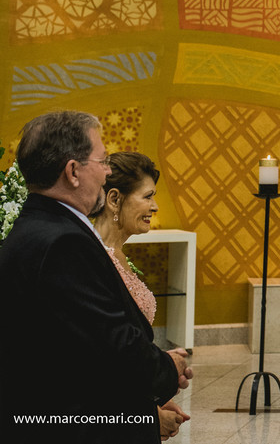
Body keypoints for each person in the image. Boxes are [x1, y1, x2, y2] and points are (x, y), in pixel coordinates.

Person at [0, 111, 190, 444]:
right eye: (101, 161)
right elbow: (109, 347)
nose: (106, 172)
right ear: (73, 171)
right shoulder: (64, 242)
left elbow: (77, 351)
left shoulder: (37, 228)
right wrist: (165, 371)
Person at [89, 151, 191, 440]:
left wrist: (154, 401)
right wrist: (143, 415)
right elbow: (105, 357)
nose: (155, 206)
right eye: (147, 197)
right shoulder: (95, 262)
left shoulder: (117, 254)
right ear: (114, 200)